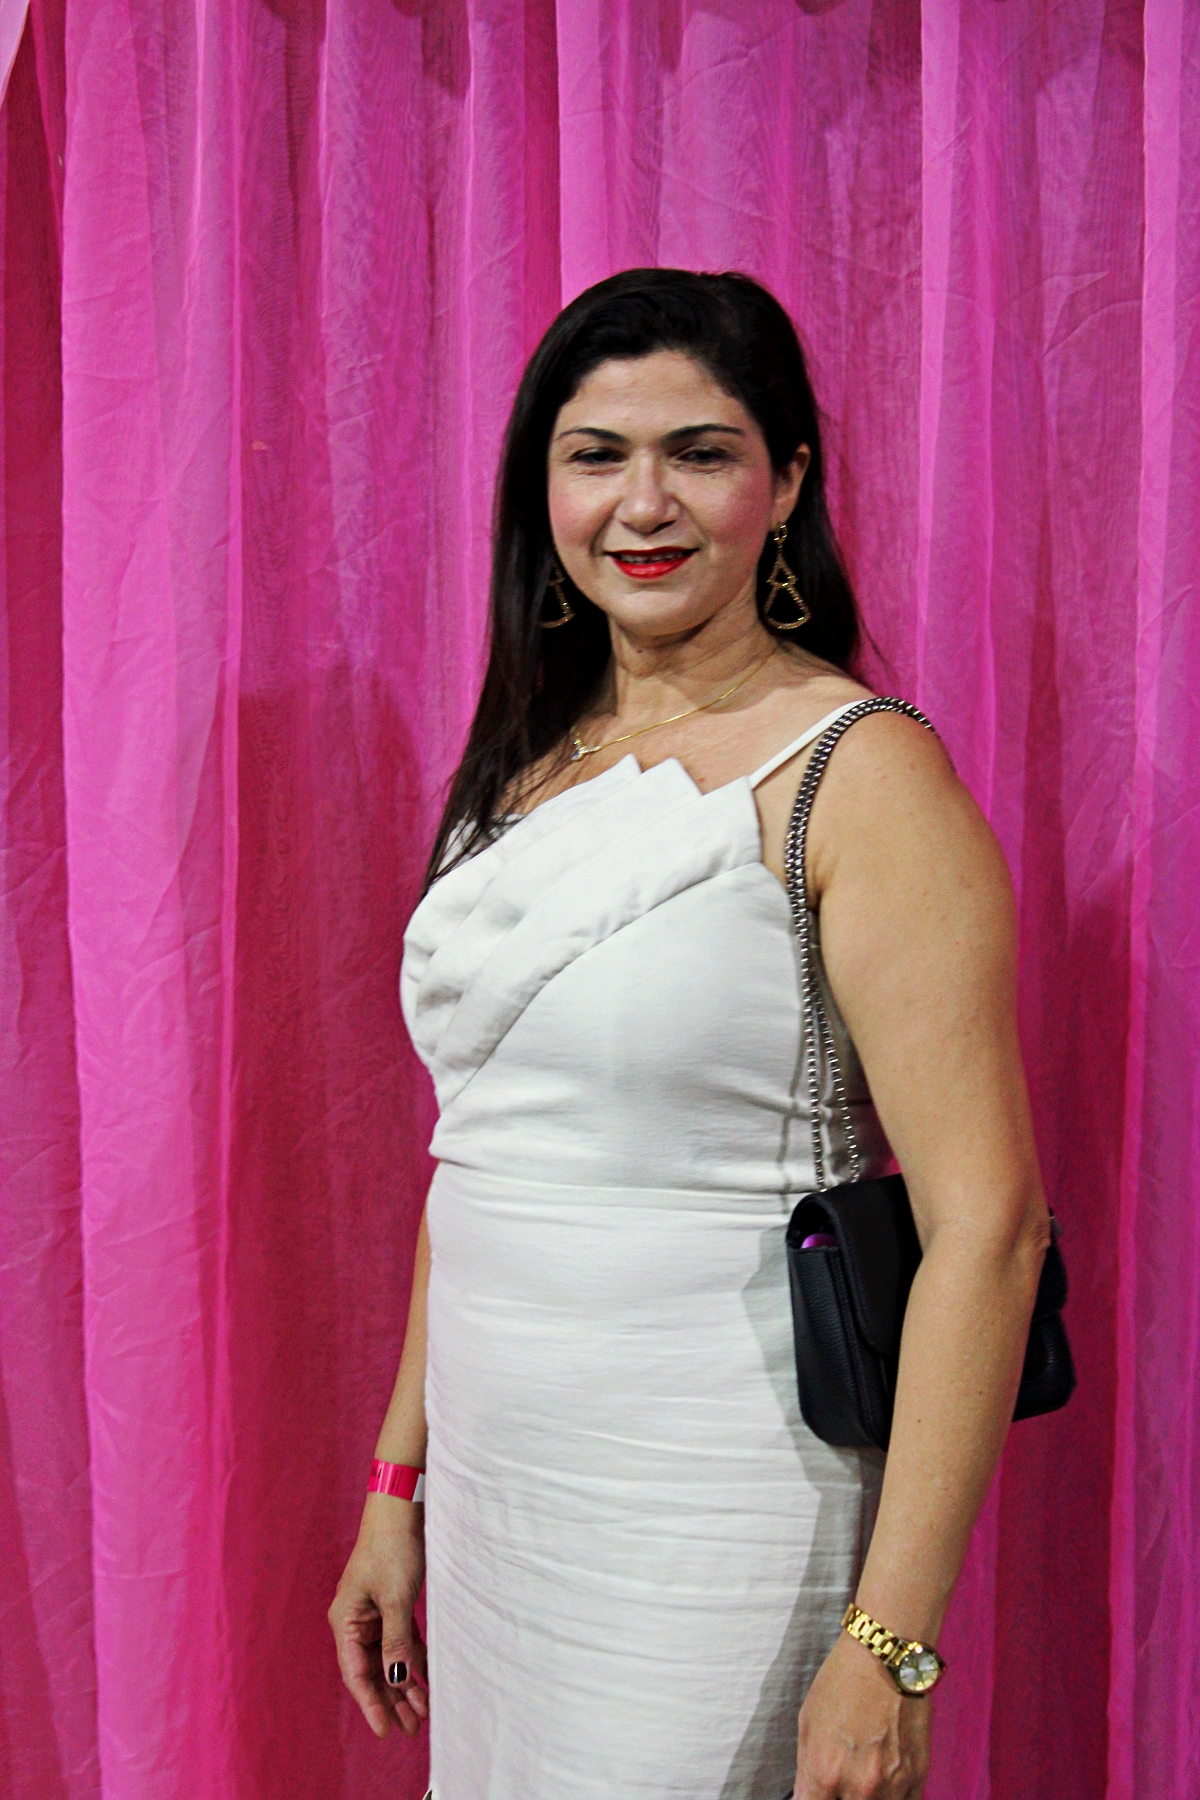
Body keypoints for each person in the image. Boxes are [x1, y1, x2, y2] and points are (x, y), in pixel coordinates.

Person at [328, 269, 1051, 1800]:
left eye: (700, 453)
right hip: (499, 1501)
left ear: (784, 486)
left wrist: (890, 1644)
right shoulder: (526, 764)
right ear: (542, 491)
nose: (642, 504)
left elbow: (990, 1228)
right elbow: (478, 1153)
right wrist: (399, 1479)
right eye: (596, 455)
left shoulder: (859, 774)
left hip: (715, 1510)